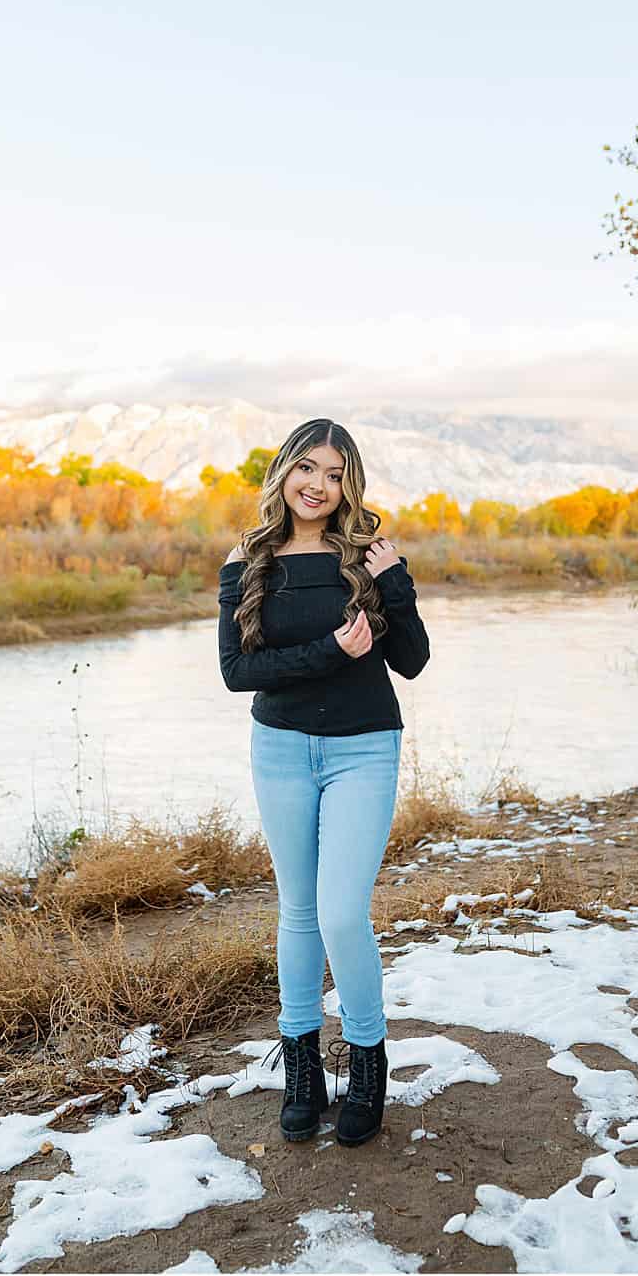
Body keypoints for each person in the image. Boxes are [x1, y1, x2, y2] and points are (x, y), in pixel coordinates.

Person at [215, 417, 430, 1148]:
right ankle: (302, 1071)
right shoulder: (247, 561)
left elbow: (414, 662)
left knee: (342, 914)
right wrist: (331, 650)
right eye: (307, 468)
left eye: (335, 473)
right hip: (279, 750)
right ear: (282, 472)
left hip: (364, 748)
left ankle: (368, 1067)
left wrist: (392, 583)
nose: (318, 485)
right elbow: (237, 675)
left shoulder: (368, 554)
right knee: (298, 912)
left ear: (350, 484)